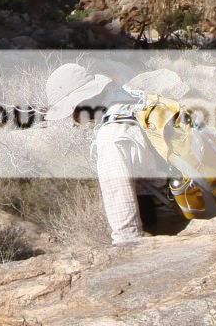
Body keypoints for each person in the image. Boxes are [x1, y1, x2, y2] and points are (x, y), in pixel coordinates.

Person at [44, 63, 184, 245]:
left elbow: (120, 201)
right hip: (185, 192)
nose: (72, 118)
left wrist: (127, 249)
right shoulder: (132, 99)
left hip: (169, 221)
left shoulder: (110, 138)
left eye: (71, 110)